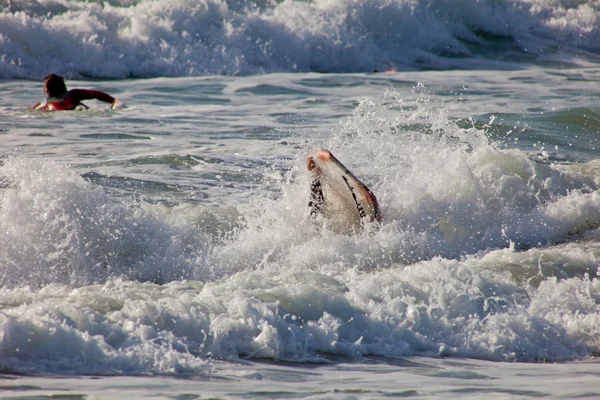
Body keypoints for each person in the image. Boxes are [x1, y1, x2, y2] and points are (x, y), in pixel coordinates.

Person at [30, 74, 122, 111]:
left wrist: (33, 108)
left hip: (56, 111)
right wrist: (113, 100)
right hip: (76, 109)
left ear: (47, 90)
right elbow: (95, 93)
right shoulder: (73, 93)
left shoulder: (47, 104)